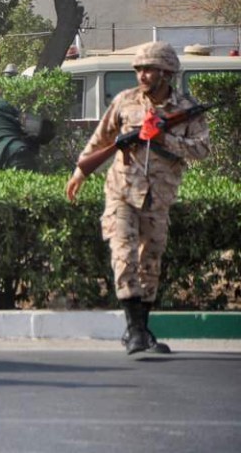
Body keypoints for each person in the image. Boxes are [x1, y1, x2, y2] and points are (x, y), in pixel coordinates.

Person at [66, 41, 210, 355]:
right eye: (139, 69)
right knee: (123, 254)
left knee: (151, 261)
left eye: (149, 69)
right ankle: (134, 332)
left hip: (159, 196)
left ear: (167, 72)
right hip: (121, 191)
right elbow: (101, 138)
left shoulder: (186, 108)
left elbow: (201, 149)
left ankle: (141, 330)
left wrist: (164, 137)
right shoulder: (124, 101)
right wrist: (80, 171)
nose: (142, 75)